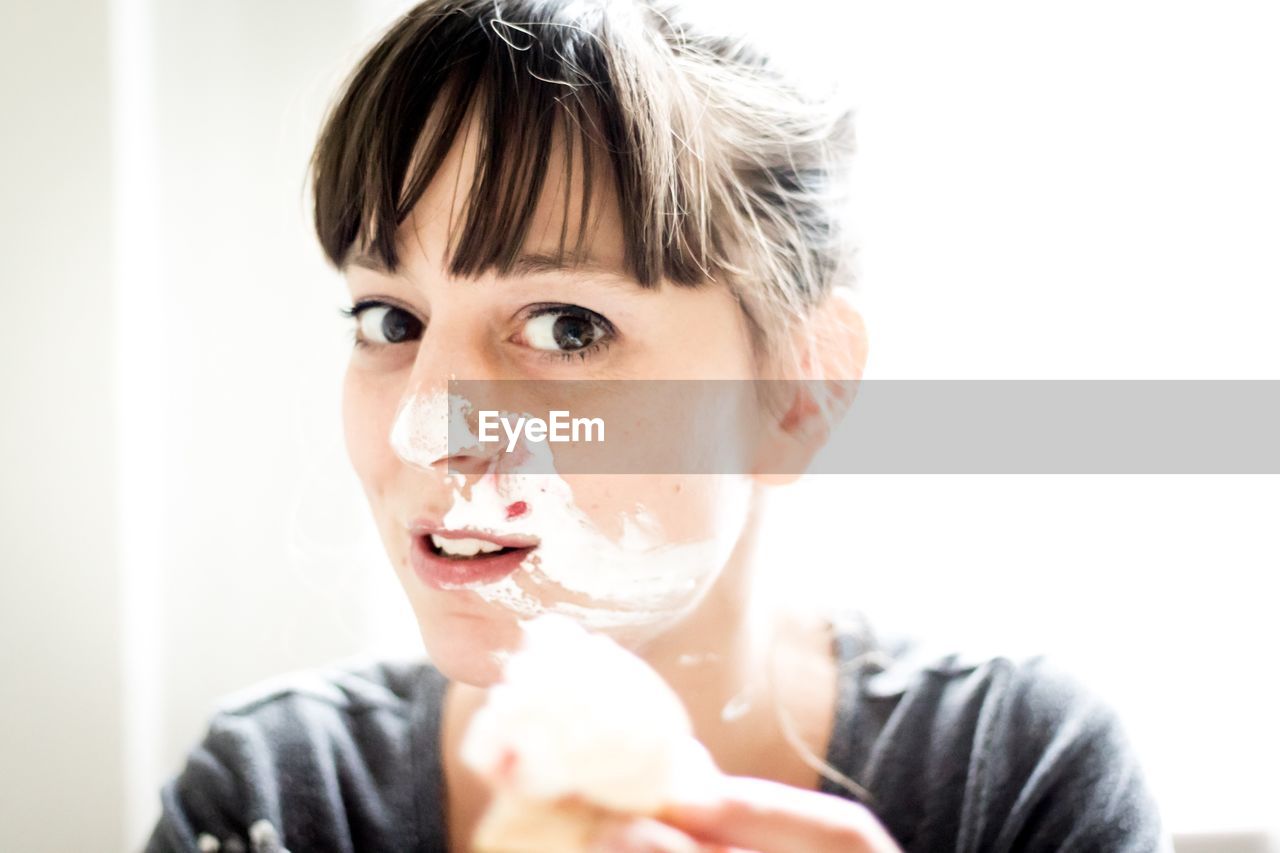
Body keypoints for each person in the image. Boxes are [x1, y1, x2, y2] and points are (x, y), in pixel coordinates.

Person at [144, 1, 1172, 850]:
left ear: (799, 391)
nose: (427, 428)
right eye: (390, 319)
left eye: (566, 325)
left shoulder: (1015, 774)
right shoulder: (275, 796)